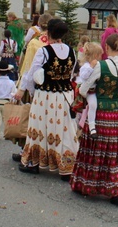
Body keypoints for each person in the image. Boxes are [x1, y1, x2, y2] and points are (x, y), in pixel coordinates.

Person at [70, 33, 118, 207]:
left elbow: (84, 89)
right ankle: (117, 188)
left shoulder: (101, 65)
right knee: (116, 151)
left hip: (101, 113)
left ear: (107, 48)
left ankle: (88, 184)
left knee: (96, 149)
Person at [14, 18, 79, 178]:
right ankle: (66, 165)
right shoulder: (71, 51)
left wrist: (24, 90)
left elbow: (32, 74)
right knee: (64, 130)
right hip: (64, 96)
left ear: (48, 33)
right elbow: (71, 74)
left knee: (39, 127)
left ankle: (34, 162)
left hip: (45, 95)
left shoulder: (44, 51)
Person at [72, 42, 102, 137]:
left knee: (93, 106)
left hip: (94, 90)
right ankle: (91, 126)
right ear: (95, 55)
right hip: (88, 91)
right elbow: (84, 77)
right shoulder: (85, 66)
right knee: (91, 105)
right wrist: (91, 68)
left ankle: (91, 125)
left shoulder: (98, 65)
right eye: (100, 55)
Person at [18, 13, 51, 84]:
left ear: (39, 23)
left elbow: (28, 64)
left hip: (35, 77)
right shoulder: (54, 41)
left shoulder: (33, 42)